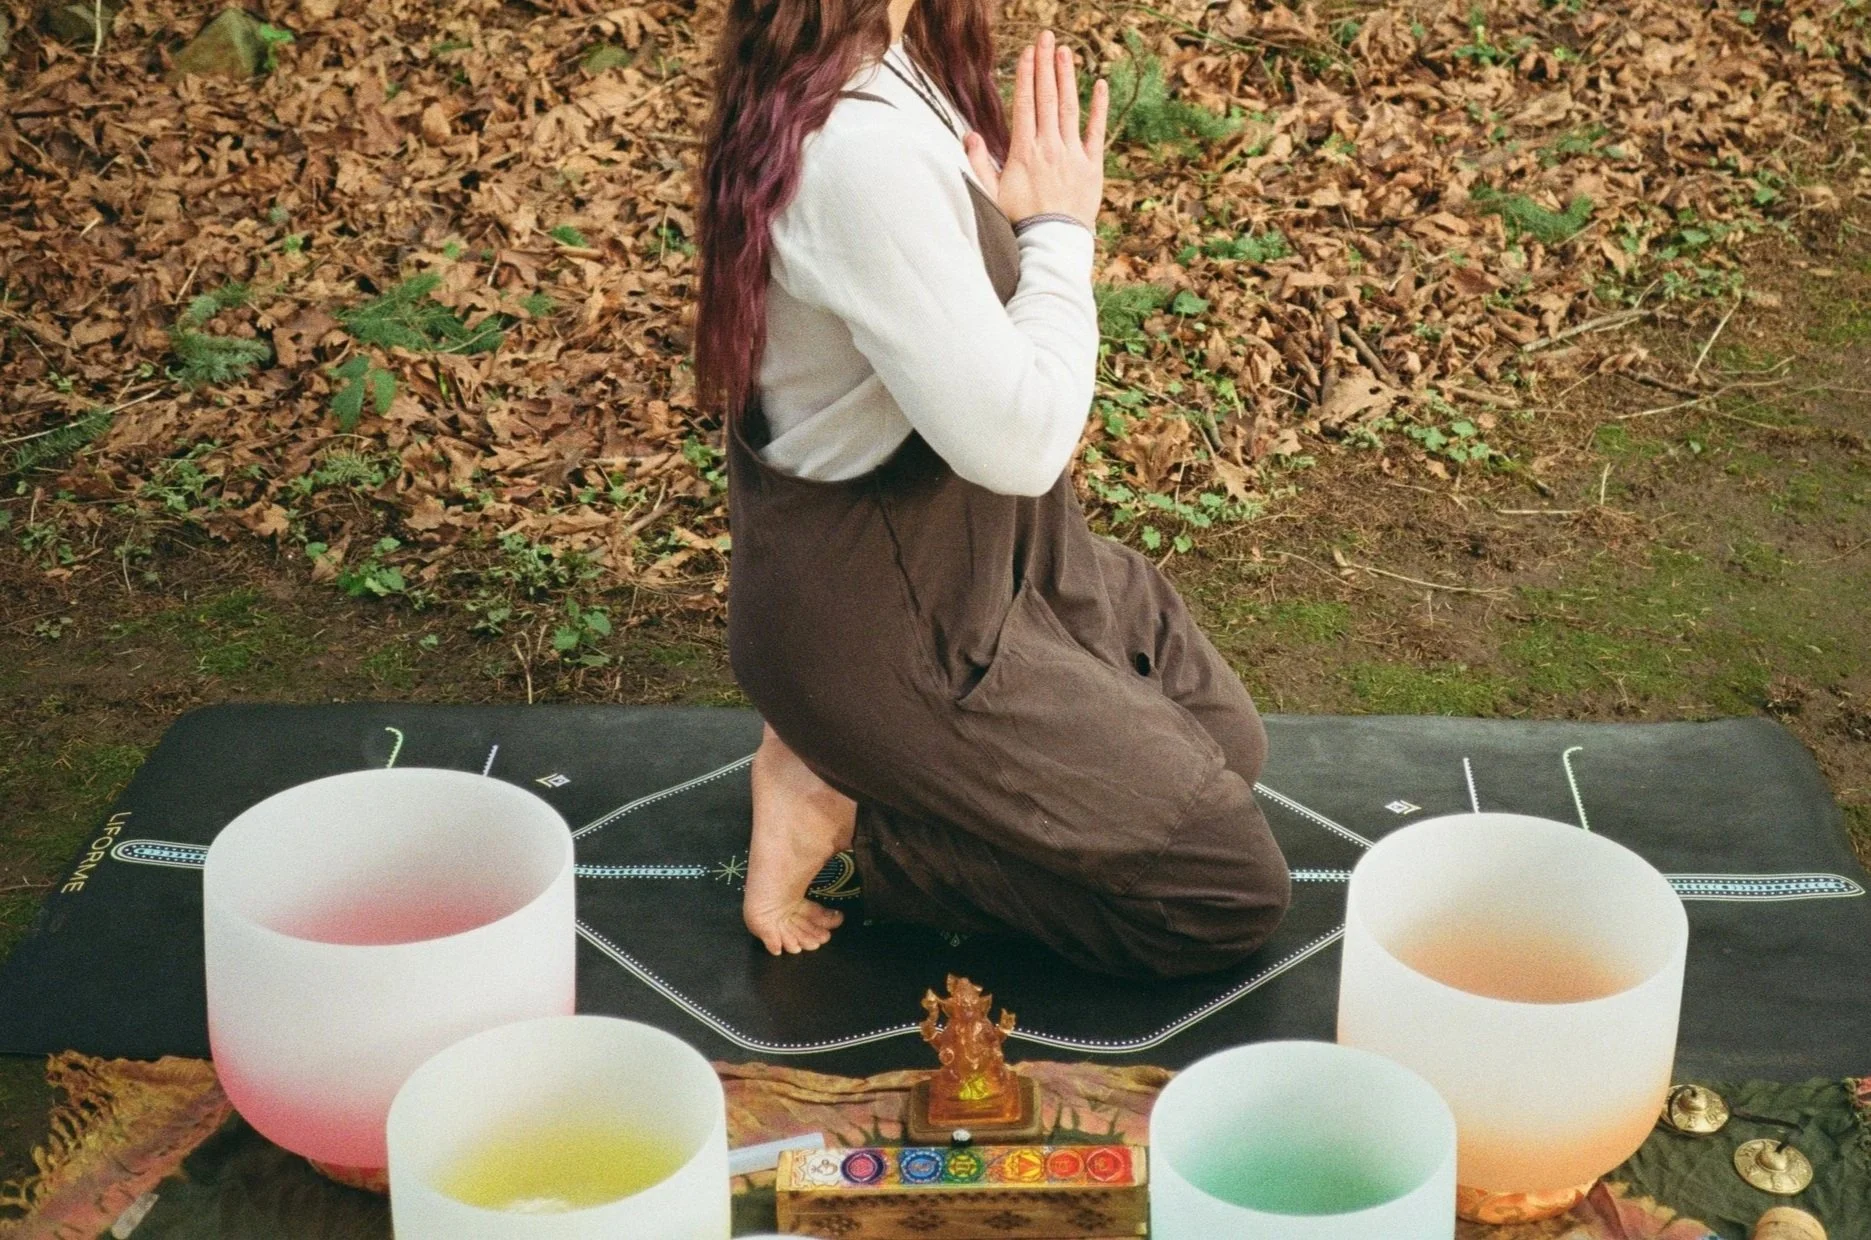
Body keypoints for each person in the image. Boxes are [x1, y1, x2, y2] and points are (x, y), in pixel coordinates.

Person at [692, 0, 1292, 979]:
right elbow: (1019, 440)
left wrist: (1010, 223)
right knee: (1220, 888)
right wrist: (1056, 233)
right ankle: (848, 830)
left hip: (1002, 563)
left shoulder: (872, 66)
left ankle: (836, 766)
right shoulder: (851, 152)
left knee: (1223, 749)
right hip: (903, 635)